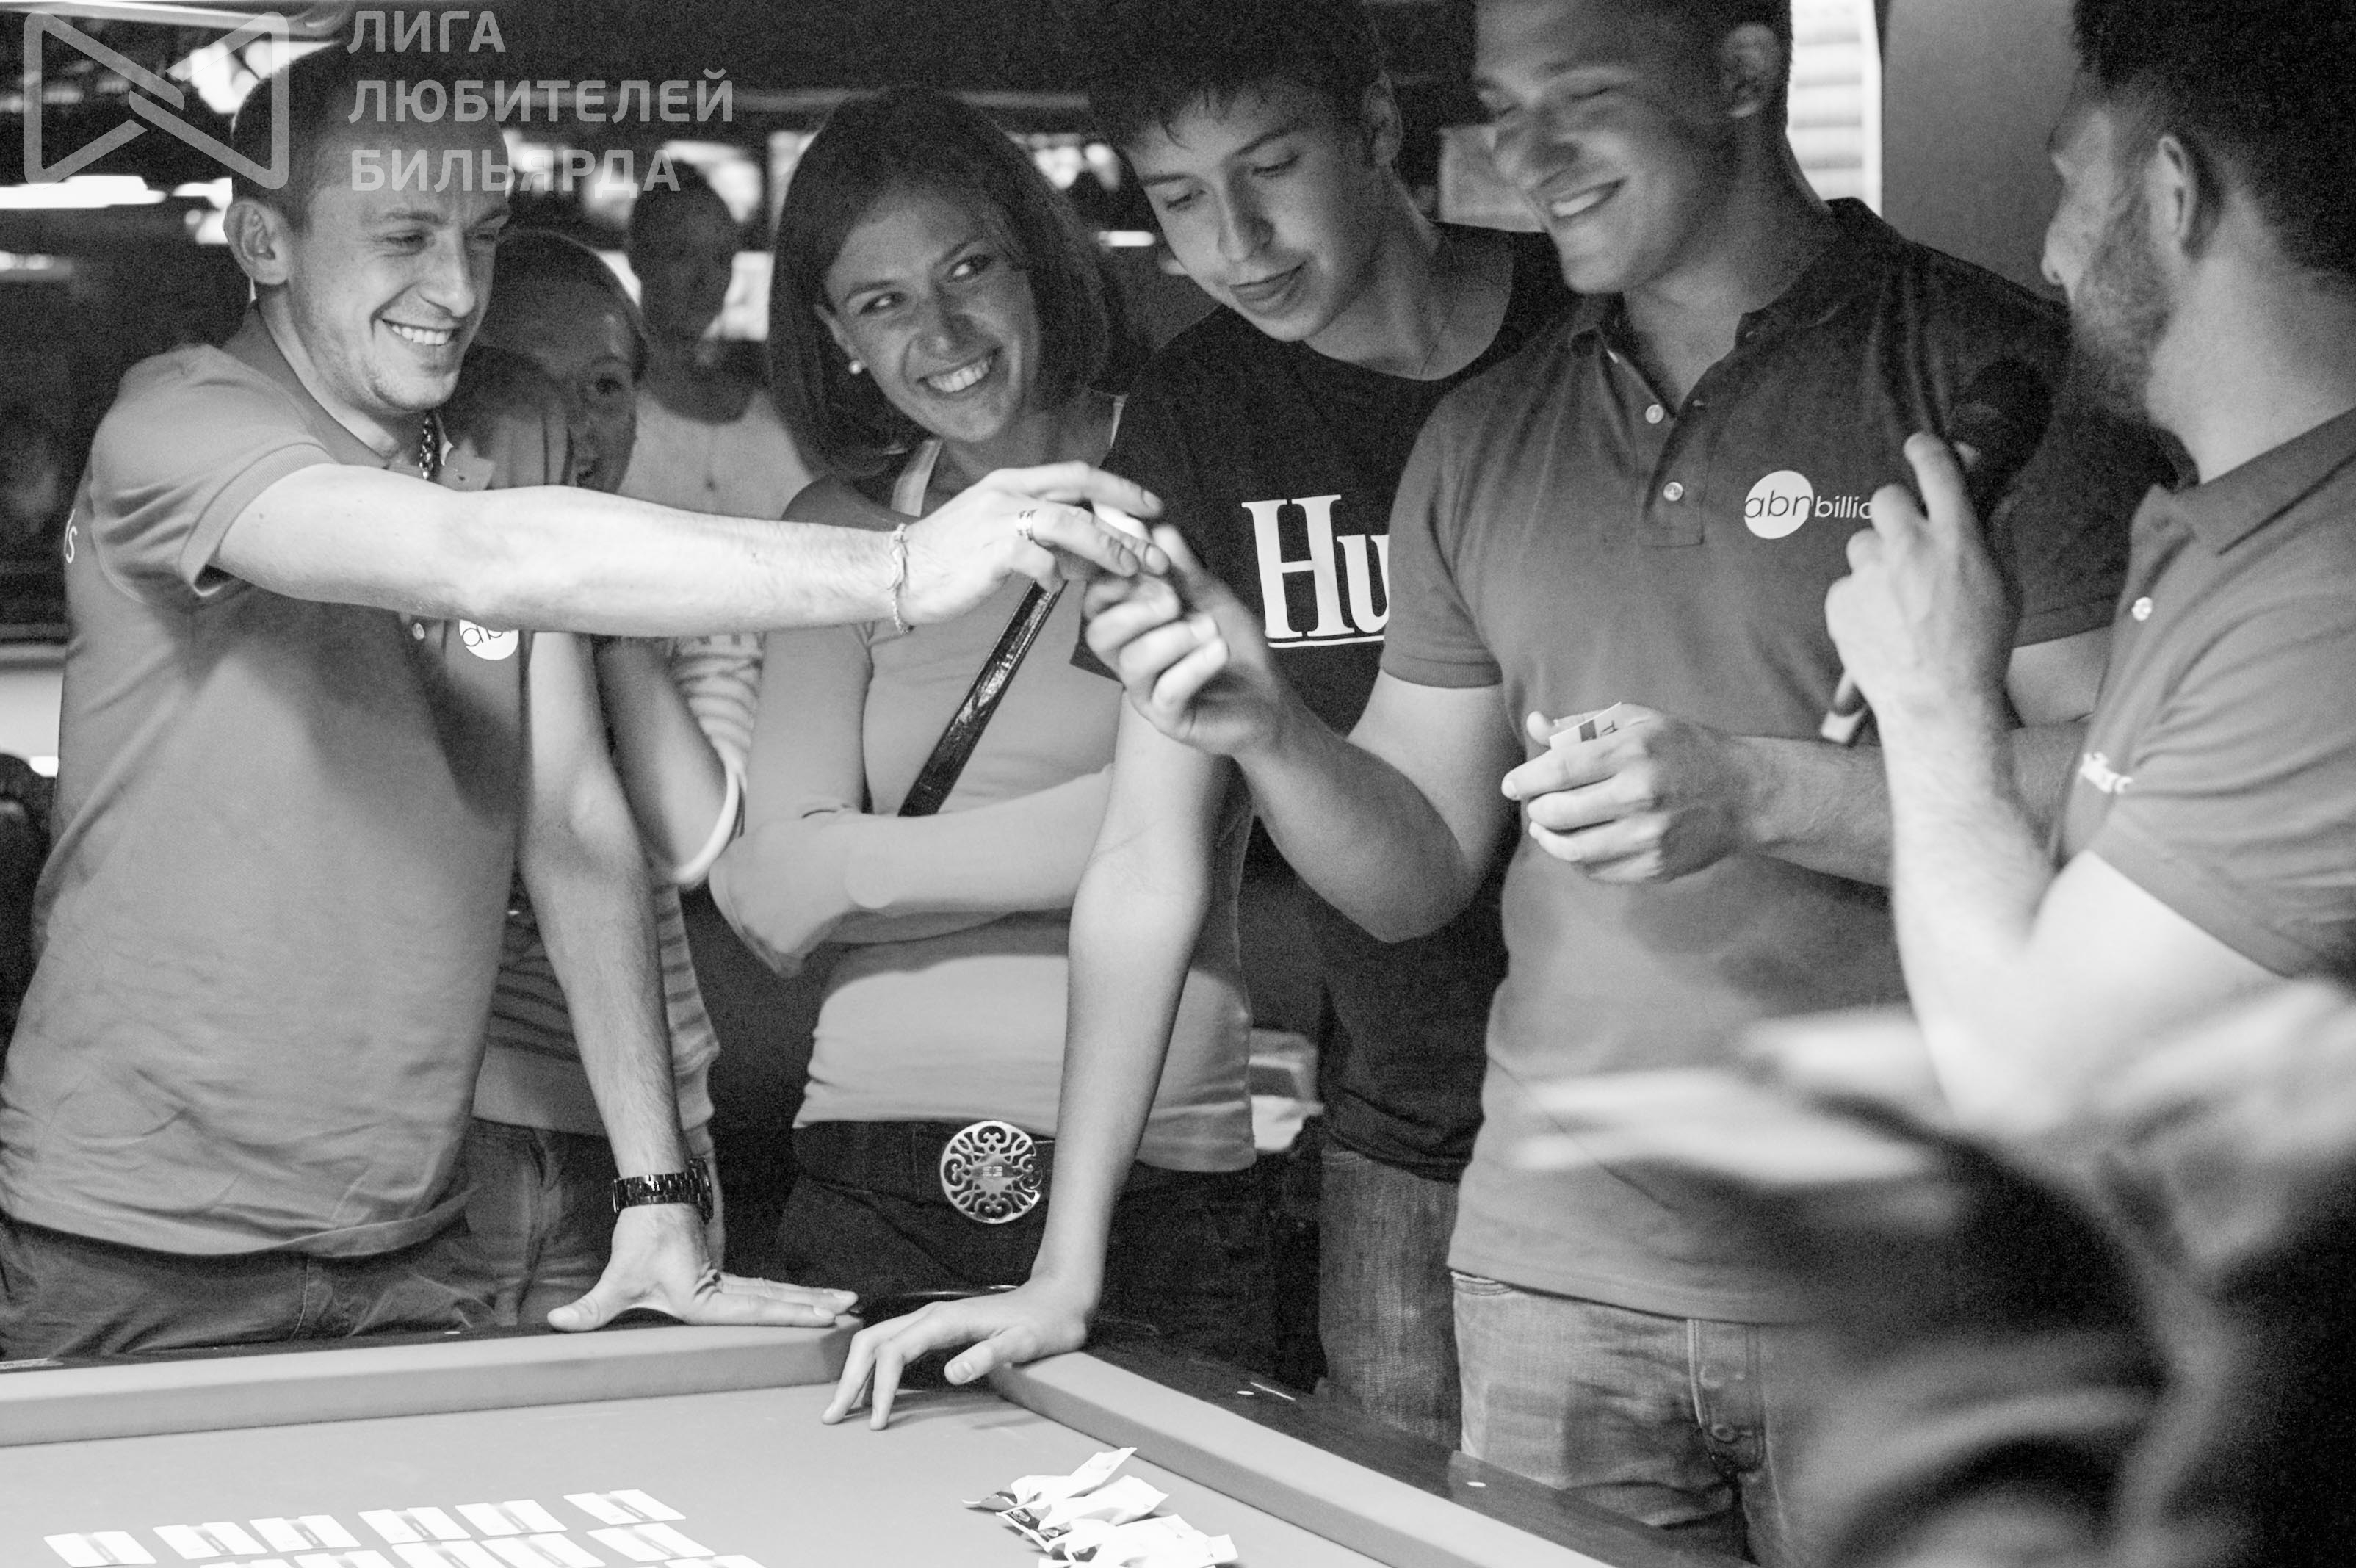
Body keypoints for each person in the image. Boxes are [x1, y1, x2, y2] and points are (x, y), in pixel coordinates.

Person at [1074, 0, 2163, 1556]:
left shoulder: (1985, 369)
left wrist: (1755, 790)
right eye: (1504, 106)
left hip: (1909, 1267)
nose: (1527, 154)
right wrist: (1268, 727)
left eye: (1578, 95)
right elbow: (1414, 867)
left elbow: (2132, 795)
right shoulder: (1484, 429)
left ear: (1740, 72)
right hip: (1548, 1268)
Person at [0, 47, 1158, 1359]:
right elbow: (477, 556)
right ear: (265, 241)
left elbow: (573, 820)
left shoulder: (510, 421)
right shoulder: (173, 420)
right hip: (133, 1230)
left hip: (412, 1232)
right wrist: (899, 566)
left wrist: (656, 1190)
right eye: (404, 238)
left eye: (482, 236)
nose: (457, 290)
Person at [828, 0, 1572, 1446]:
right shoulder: (1198, 411)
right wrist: (1064, 1263)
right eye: (1177, 198)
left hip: (1665, 1119)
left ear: (1374, 127)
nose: (1233, 240)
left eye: (1269, 168)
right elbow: (1146, 855)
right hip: (1411, 1135)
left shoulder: (1582, 332)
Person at [709, 86, 1272, 1370]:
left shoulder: (1186, 473)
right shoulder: (840, 529)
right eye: (883, 301)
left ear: (1039, 260)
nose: (942, 332)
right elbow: (772, 892)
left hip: (1161, 1153)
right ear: (837, 335)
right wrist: (1116, 825)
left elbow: (1203, 819)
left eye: (969, 269)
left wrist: (855, 870)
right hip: (868, 1153)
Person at [1824, 0, 2356, 1128]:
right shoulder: (2229, 534)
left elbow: (2036, 1090)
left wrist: (1930, 696)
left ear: (2173, 193)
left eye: (2070, 183)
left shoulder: (2322, 613)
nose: (2049, 251)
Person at [449, 232, 738, 1326]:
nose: (572, 419)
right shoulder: (419, 576)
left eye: (606, 386)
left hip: (663, 1130)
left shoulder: (673, 588)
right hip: (465, 1122)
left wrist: (598, 604)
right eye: (528, 379)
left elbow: (700, 841)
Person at [619, 164, 814, 776]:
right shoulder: (604, 415)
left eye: (722, 258)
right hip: (638, 725)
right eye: (682, 254)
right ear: (639, 256)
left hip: (785, 720)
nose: (706, 279)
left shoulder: (775, 417)